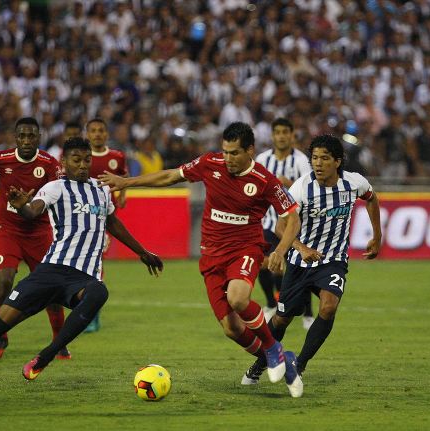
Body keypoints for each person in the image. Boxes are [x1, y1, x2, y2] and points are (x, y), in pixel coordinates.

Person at [100, 122, 303, 397]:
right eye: (225, 152)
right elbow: (171, 176)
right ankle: (275, 359)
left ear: (250, 151)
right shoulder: (210, 163)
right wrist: (127, 182)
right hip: (211, 255)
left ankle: (272, 348)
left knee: (239, 298)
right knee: (231, 329)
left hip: (245, 248)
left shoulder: (264, 180)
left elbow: (292, 217)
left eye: (234, 153)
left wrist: (279, 251)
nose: (228, 158)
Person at [0, 137, 163, 389]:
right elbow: (33, 210)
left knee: (99, 291)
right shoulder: (55, 188)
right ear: (64, 162)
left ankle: (46, 355)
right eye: (76, 160)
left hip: (83, 277)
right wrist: (22, 207)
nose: (83, 165)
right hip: (50, 271)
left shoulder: (102, 189)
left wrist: (142, 252)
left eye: (87, 160)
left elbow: (112, 222)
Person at [241, 134, 382, 393]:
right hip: (299, 262)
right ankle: (259, 364)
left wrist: (377, 235)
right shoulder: (301, 188)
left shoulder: (354, 183)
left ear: (337, 162)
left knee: (328, 307)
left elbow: (372, 199)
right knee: (282, 319)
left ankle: (300, 364)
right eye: (315, 158)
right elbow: (282, 226)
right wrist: (301, 248)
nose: (318, 164)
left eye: (324, 159)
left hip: (333, 262)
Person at [0, 117, 70, 360]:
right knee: (5, 280)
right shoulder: (0, 159)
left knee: (51, 289)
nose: (25, 141)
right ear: (15, 137)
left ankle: (59, 339)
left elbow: (60, 194)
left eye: (31, 136)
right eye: (21, 136)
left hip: (39, 233)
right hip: (8, 230)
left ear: (38, 137)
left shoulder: (49, 164)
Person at [255, 118, 313, 328]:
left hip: (294, 223)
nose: (281, 136)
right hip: (268, 220)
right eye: (277, 132)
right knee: (263, 262)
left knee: (298, 268)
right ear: (272, 135)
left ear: (291, 135)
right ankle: (271, 303)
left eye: (284, 132)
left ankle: (307, 312)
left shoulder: (301, 161)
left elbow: (309, 189)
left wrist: (288, 183)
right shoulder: (262, 159)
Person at [83, 117, 128, 332]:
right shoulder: (81, 156)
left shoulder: (116, 157)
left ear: (106, 134)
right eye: (93, 131)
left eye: (101, 130)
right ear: (87, 134)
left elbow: (124, 177)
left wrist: (122, 195)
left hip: (103, 220)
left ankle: (92, 314)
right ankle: (88, 311)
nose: (97, 134)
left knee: (95, 266)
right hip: (80, 220)